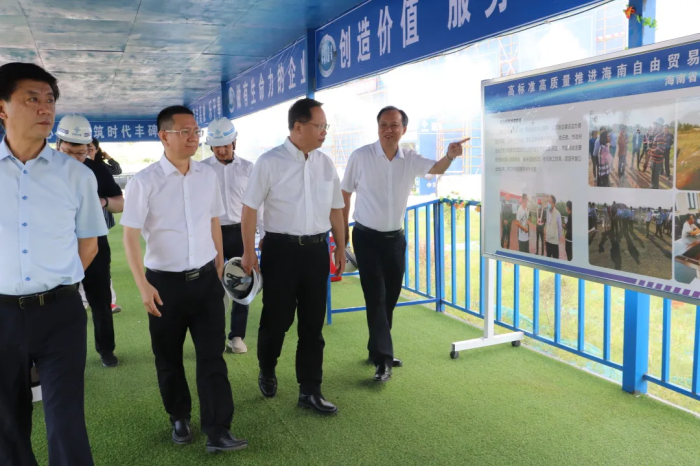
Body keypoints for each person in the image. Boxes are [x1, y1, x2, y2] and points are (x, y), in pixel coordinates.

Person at [121, 106, 247, 453]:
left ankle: (218, 429)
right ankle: (179, 416)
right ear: (164, 136)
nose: (194, 137)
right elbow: (129, 236)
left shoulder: (207, 176)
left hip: (206, 281)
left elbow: (213, 220)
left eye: (195, 131)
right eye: (185, 131)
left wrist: (219, 263)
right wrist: (143, 285)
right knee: (168, 356)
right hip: (164, 285)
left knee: (212, 356)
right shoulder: (144, 181)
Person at [0, 62, 105, 465]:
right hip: (2, 314)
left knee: (66, 421)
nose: (45, 108)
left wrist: (56, 281)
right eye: (32, 99)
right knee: (7, 423)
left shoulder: (76, 175)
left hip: (60, 313)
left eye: (50, 100)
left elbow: (88, 246)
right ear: (2, 108)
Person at [341, 106, 468, 383]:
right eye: (383, 124)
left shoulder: (409, 158)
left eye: (394, 125)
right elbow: (345, 193)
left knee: (391, 296)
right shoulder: (361, 156)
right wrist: (342, 237)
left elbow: (435, 168)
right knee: (375, 297)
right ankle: (383, 360)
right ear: (377, 127)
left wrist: (450, 156)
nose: (388, 130)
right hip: (366, 237)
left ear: (403, 129)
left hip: (395, 240)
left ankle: (377, 348)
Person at [240, 98, 345, 414]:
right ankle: (267, 367)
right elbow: (249, 209)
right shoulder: (269, 162)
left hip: (316, 251)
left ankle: (310, 389)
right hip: (280, 251)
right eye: (319, 126)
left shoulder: (325, 163)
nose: (324, 131)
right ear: (298, 127)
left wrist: (341, 246)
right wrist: (248, 252)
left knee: (312, 324)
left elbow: (336, 209)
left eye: (326, 126)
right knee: (277, 320)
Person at [56, 114, 123, 368]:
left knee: (100, 300)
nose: (75, 158)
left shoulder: (96, 169)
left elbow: (119, 204)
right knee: (59, 304)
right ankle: (60, 355)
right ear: (58, 145)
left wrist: (101, 202)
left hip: (94, 243)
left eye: (81, 153)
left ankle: (106, 350)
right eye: (68, 152)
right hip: (58, 246)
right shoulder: (43, 170)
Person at [202, 117, 263, 354]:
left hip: (241, 232)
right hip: (211, 234)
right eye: (217, 146)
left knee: (242, 283)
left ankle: (236, 336)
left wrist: (263, 234)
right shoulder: (202, 170)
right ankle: (213, 335)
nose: (222, 150)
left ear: (234, 142)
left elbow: (259, 205)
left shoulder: (248, 168)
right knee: (212, 287)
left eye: (226, 145)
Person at [83, 137, 122, 314]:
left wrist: (108, 157)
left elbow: (117, 170)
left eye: (90, 149)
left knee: (101, 266)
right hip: (74, 229)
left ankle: (109, 301)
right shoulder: (67, 169)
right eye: (83, 149)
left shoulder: (100, 167)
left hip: (100, 224)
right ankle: (83, 301)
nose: (86, 153)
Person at [648, 119, 667, 188]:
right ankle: (653, 188)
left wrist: (651, 150)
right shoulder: (658, 135)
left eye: (657, 125)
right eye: (655, 125)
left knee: (655, 180)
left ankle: (654, 190)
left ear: (661, 127)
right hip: (655, 160)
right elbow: (657, 147)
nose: (655, 126)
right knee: (654, 178)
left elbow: (659, 150)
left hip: (657, 161)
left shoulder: (660, 136)